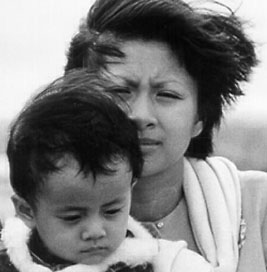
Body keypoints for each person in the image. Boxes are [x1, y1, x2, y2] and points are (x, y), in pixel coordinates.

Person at [64, 1, 267, 271]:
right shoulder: (44, 217)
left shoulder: (256, 205)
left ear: (200, 120)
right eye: (119, 92)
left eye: (167, 95)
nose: (141, 115)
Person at [0, 70, 213, 272]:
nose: (96, 232)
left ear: (130, 189)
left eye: (111, 211)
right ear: (27, 210)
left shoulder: (164, 262)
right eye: (73, 217)